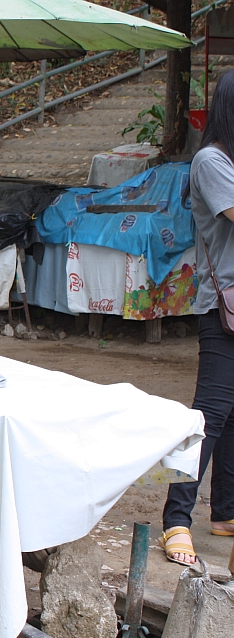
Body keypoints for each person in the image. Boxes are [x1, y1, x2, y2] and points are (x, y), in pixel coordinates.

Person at [160, 69, 234, 566]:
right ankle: (176, 518)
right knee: (208, 415)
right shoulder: (211, 161)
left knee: (233, 416)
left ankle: (225, 511)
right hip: (222, 306)